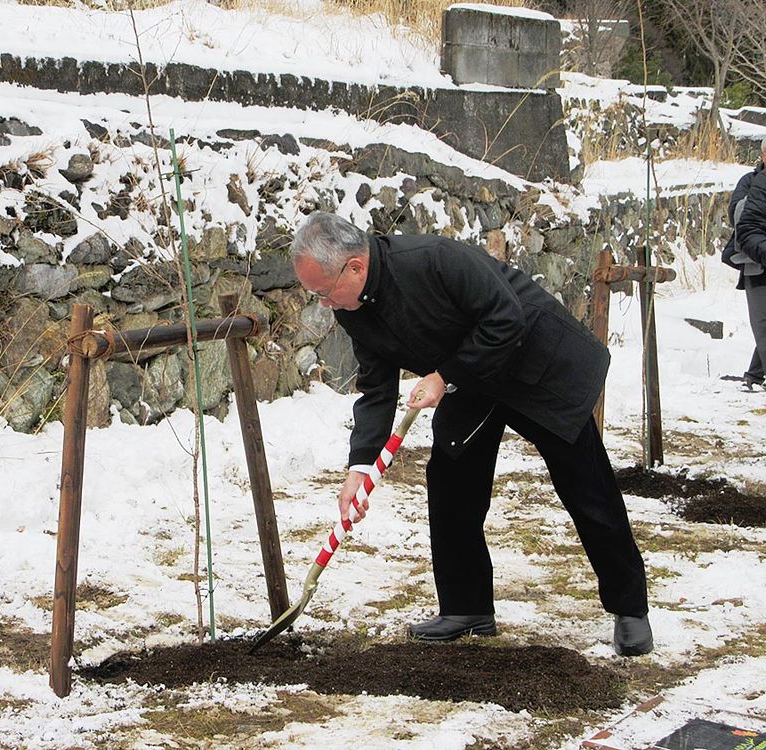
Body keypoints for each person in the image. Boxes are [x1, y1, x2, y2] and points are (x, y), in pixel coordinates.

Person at [291, 211, 653, 656]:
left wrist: (443, 376)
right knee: (451, 481)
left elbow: (506, 318)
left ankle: (630, 608)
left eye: (323, 292)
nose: (324, 304)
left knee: (586, 486)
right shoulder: (353, 306)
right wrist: (359, 467)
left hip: (535, 363)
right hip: (471, 380)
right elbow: (376, 387)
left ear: (354, 266)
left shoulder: (434, 259)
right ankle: (467, 608)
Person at [725, 138, 766, 390]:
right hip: (755, 264)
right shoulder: (749, 182)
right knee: (763, 324)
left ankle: (754, 374)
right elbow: (739, 217)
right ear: (763, 155)